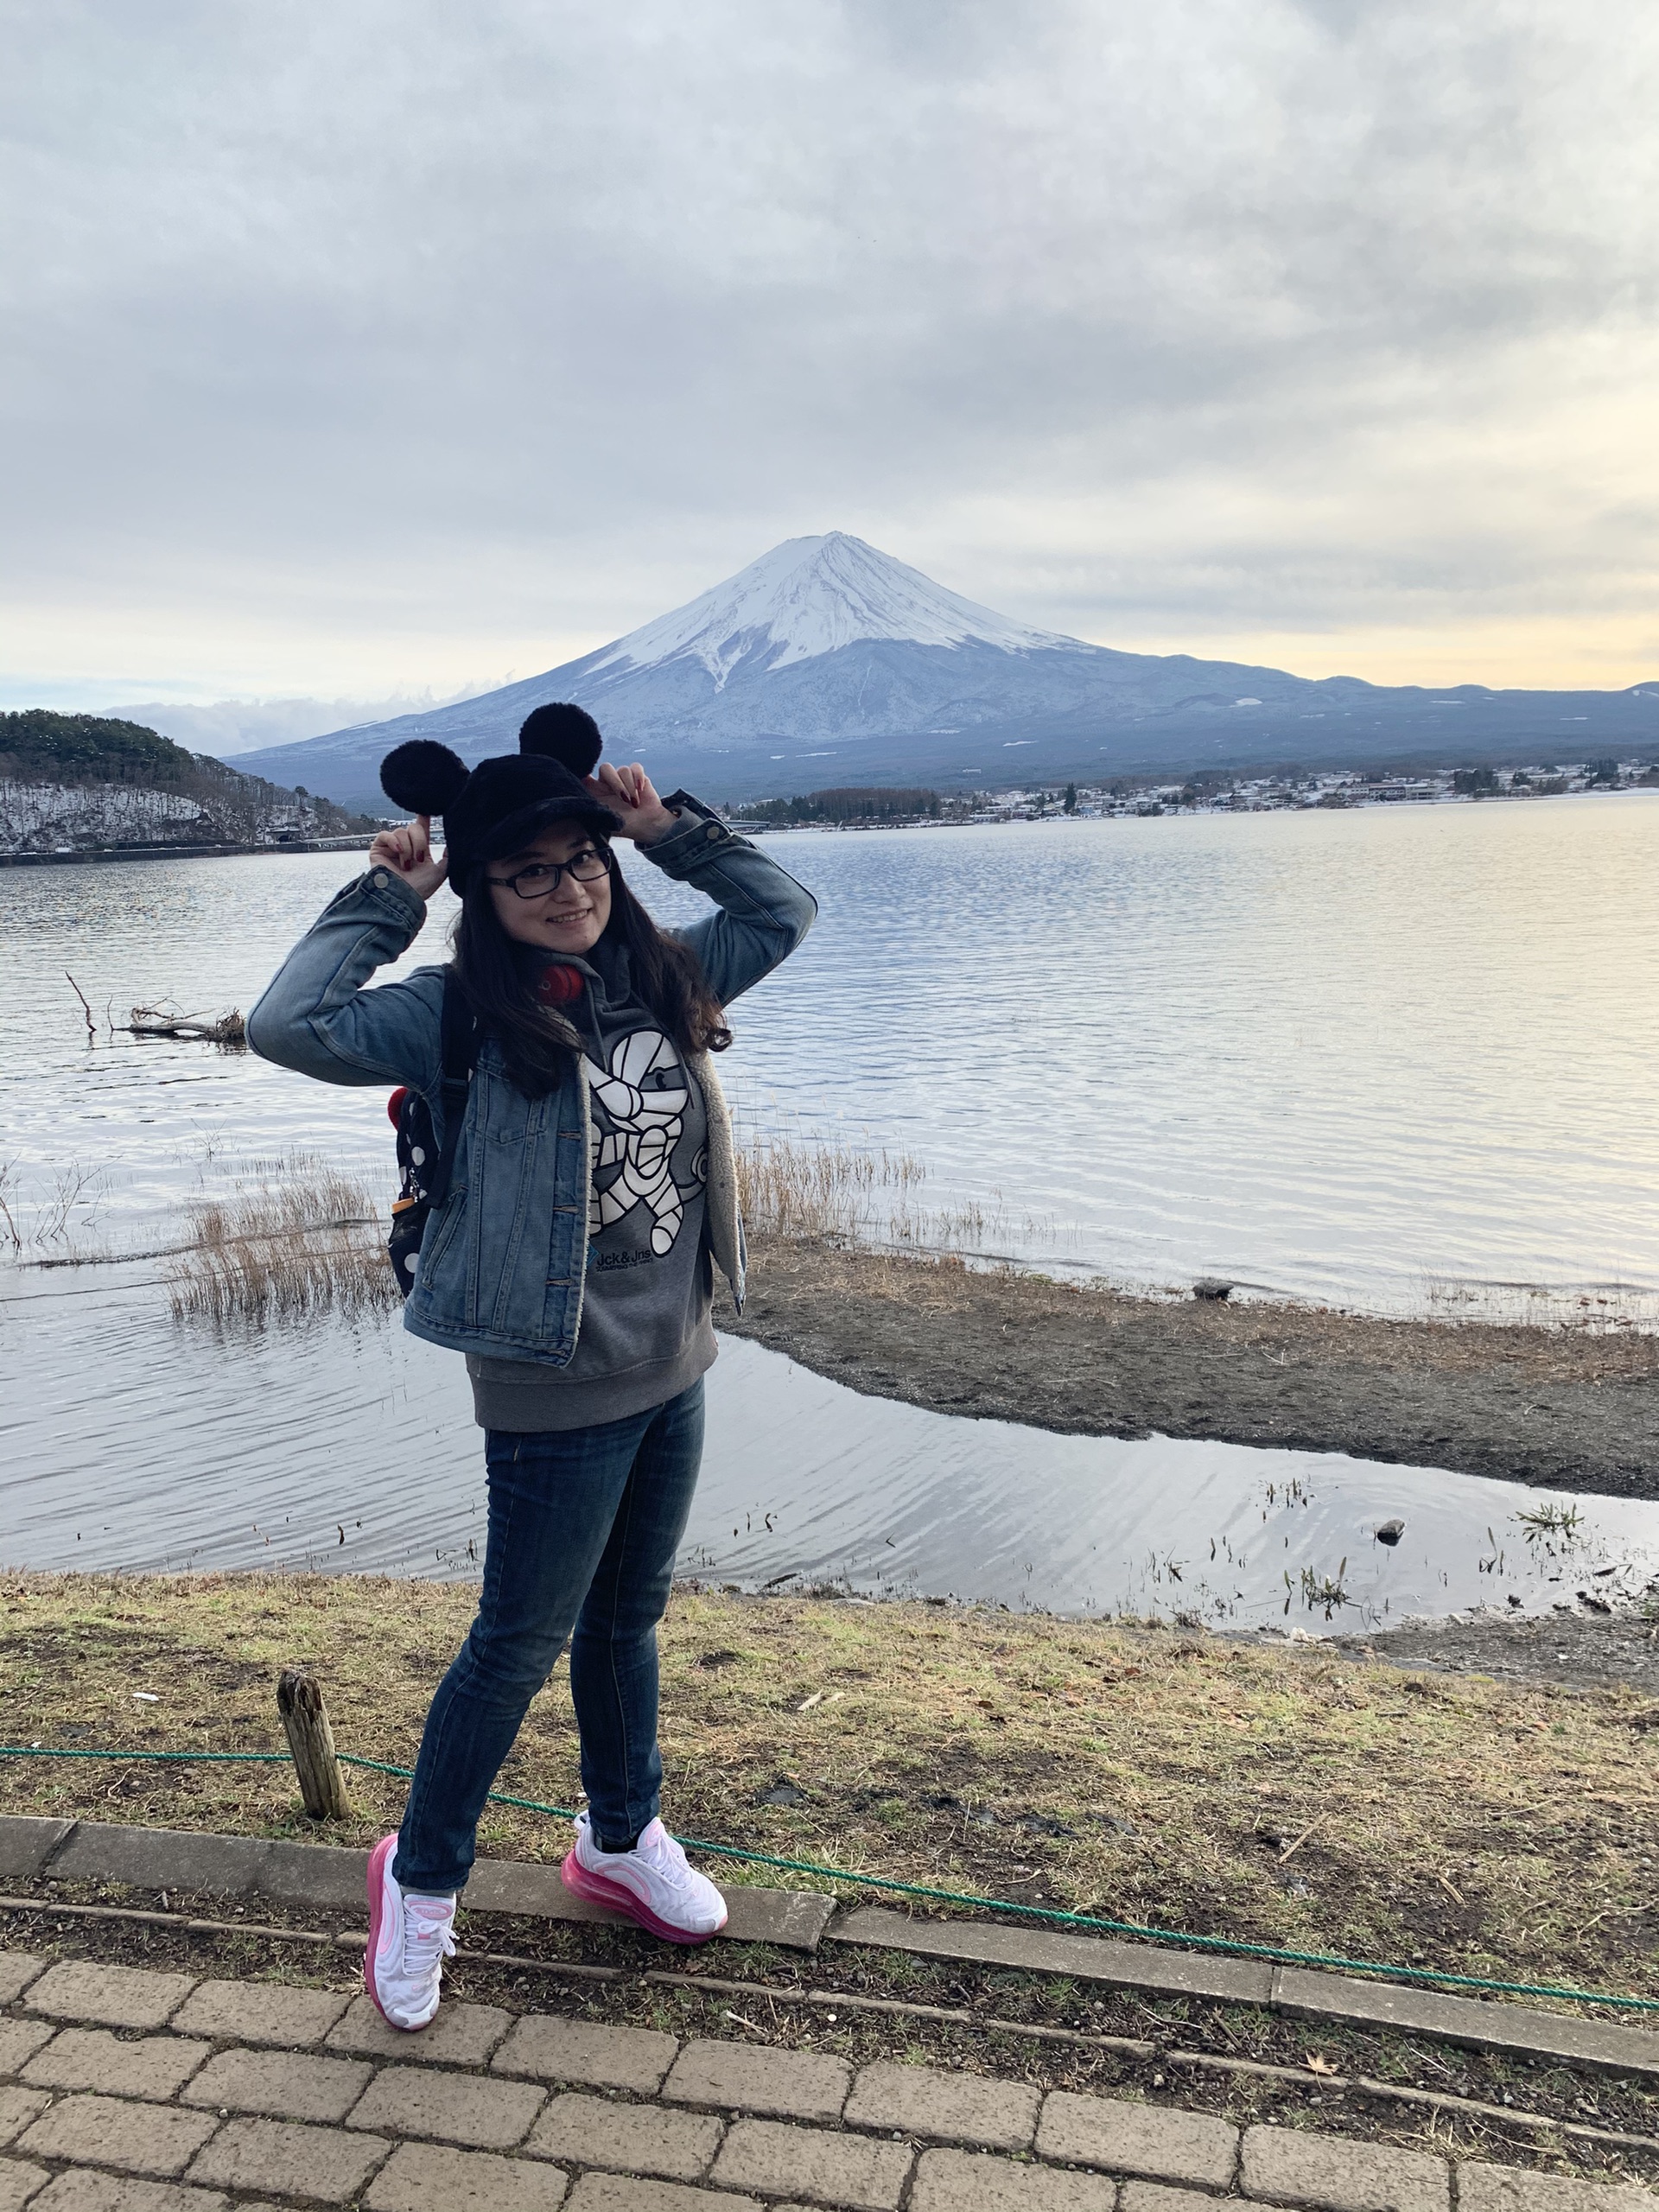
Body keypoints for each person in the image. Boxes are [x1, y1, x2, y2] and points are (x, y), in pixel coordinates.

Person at [247, 703, 817, 2029]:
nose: (565, 893)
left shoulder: (667, 973)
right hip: (552, 1381)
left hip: (675, 1355)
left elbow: (782, 910)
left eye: (582, 864)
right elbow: (285, 1024)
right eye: (529, 873)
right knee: (515, 1644)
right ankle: (422, 1885)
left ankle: (619, 1839)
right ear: (485, 892)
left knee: (627, 1623)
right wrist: (382, 901)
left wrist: (666, 829)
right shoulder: (450, 1014)